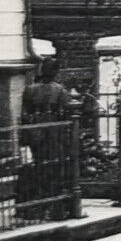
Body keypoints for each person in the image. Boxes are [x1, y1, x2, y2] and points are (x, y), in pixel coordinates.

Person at [17, 58, 75, 220]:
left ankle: (38, 203)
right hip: (53, 132)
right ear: (55, 72)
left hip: (35, 131)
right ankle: (53, 204)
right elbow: (68, 111)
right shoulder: (60, 90)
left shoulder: (29, 89)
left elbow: (24, 114)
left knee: (39, 165)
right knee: (54, 167)